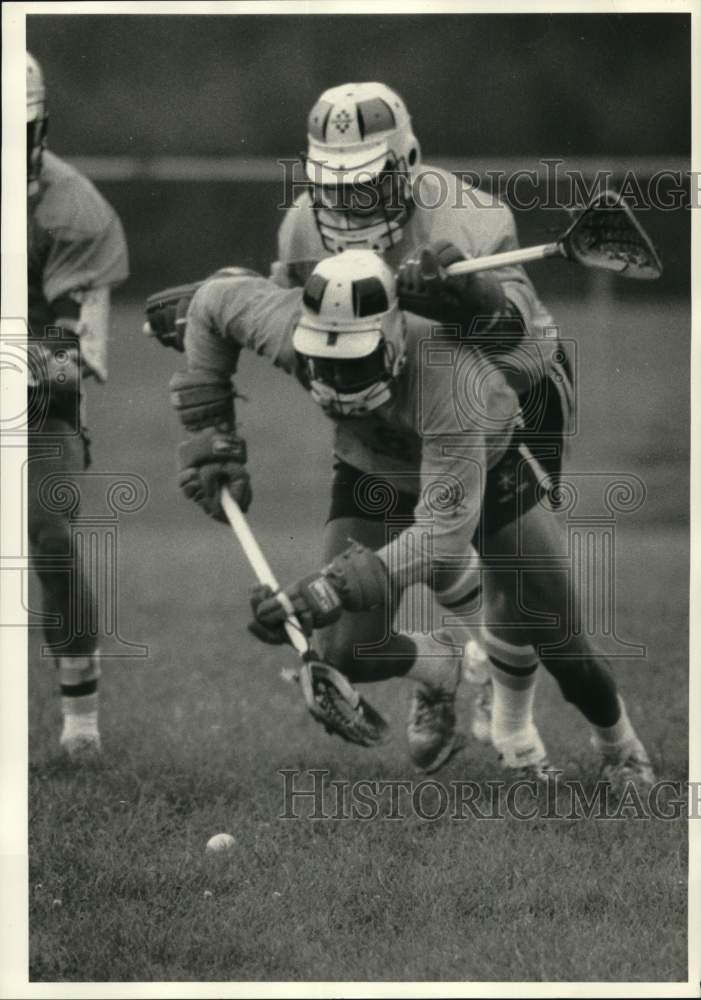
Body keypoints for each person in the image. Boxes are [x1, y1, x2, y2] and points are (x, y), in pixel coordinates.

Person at [168, 247, 654, 789]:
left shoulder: (450, 375)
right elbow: (211, 304)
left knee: (558, 640)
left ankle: (619, 744)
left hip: (485, 464)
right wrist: (215, 440)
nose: (335, 378)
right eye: (324, 361)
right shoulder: (284, 327)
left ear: (393, 339)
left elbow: (441, 536)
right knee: (345, 651)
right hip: (372, 463)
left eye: (353, 361)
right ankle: (439, 663)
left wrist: (323, 592)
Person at [273, 81, 571, 770]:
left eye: (365, 183)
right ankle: (441, 667)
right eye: (331, 183)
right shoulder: (299, 225)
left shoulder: (466, 220)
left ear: (405, 163)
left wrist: (470, 300)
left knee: (522, 590)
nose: (345, 202)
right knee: (348, 648)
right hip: (376, 435)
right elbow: (299, 323)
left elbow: (524, 353)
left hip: (466, 422)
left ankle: (516, 719)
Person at [27, 52, 129, 757]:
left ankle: (81, 718)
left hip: (38, 401)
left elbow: (66, 362)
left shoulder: (74, 210)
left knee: (51, 532)